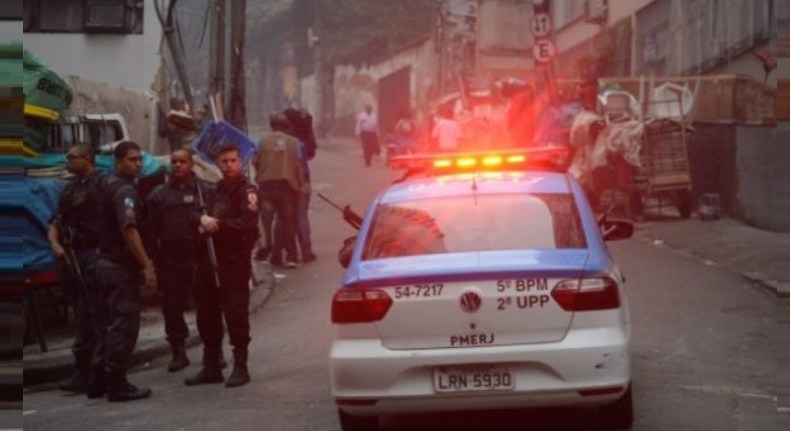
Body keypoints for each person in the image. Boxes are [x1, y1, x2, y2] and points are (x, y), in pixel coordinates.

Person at [185, 143, 259, 388]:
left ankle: (241, 366)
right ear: (218, 164)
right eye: (224, 161)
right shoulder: (213, 190)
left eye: (233, 161)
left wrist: (216, 225)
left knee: (235, 314)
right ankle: (212, 366)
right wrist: (201, 219)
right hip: (210, 260)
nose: (229, 165)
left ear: (240, 162)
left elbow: (246, 223)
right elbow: (194, 211)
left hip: (233, 261)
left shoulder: (247, 191)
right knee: (207, 314)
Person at [89, 141, 156, 402]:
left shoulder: (105, 184)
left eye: (140, 159)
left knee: (108, 326)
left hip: (103, 264)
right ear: (118, 162)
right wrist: (146, 264)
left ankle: (97, 382)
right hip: (118, 268)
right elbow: (129, 229)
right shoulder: (123, 190)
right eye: (132, 159)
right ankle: (117, 385)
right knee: (123, 326)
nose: (138, 163)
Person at [47, 144, 105, 394]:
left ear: (88, 159)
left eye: (72, 157)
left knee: (96, 314)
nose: (66, 160)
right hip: (75, 256)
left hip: (97, 255)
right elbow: (56, 222)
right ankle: (85, 372)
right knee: (82, 313)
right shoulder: (69, 189)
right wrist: (55, 243)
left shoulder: (103, 184)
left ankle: (98, 373)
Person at [146, 149, 207, 372]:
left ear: (191, 165)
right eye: (174, 161)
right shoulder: (158, 194)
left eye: (183, 161)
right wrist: (151, 261)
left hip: (198, 258)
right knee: (171, 307)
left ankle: (212, 351)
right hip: (170, 259)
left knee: (206, 306)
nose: (178, 165)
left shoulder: (203, 190)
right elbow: (151, 229)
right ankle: (178, 352)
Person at [252, 113, 304, 268]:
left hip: (266, 186)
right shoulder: (294, 143)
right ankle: (291, 257)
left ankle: (265, 254)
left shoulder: (262, 141)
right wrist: (300, 186)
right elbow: (299, 166)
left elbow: (254, 161)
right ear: (286, 126)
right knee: (287, 222)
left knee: (265, 223)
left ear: (271, 125)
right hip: (286, 187)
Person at [282, 108, 317, 263]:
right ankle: (307, 251)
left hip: (286, 178)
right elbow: (310, 154)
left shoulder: (286, 137)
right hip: (305, 177)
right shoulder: (305, 135)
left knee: (287, 216)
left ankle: (290, 252)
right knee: (302, 215)